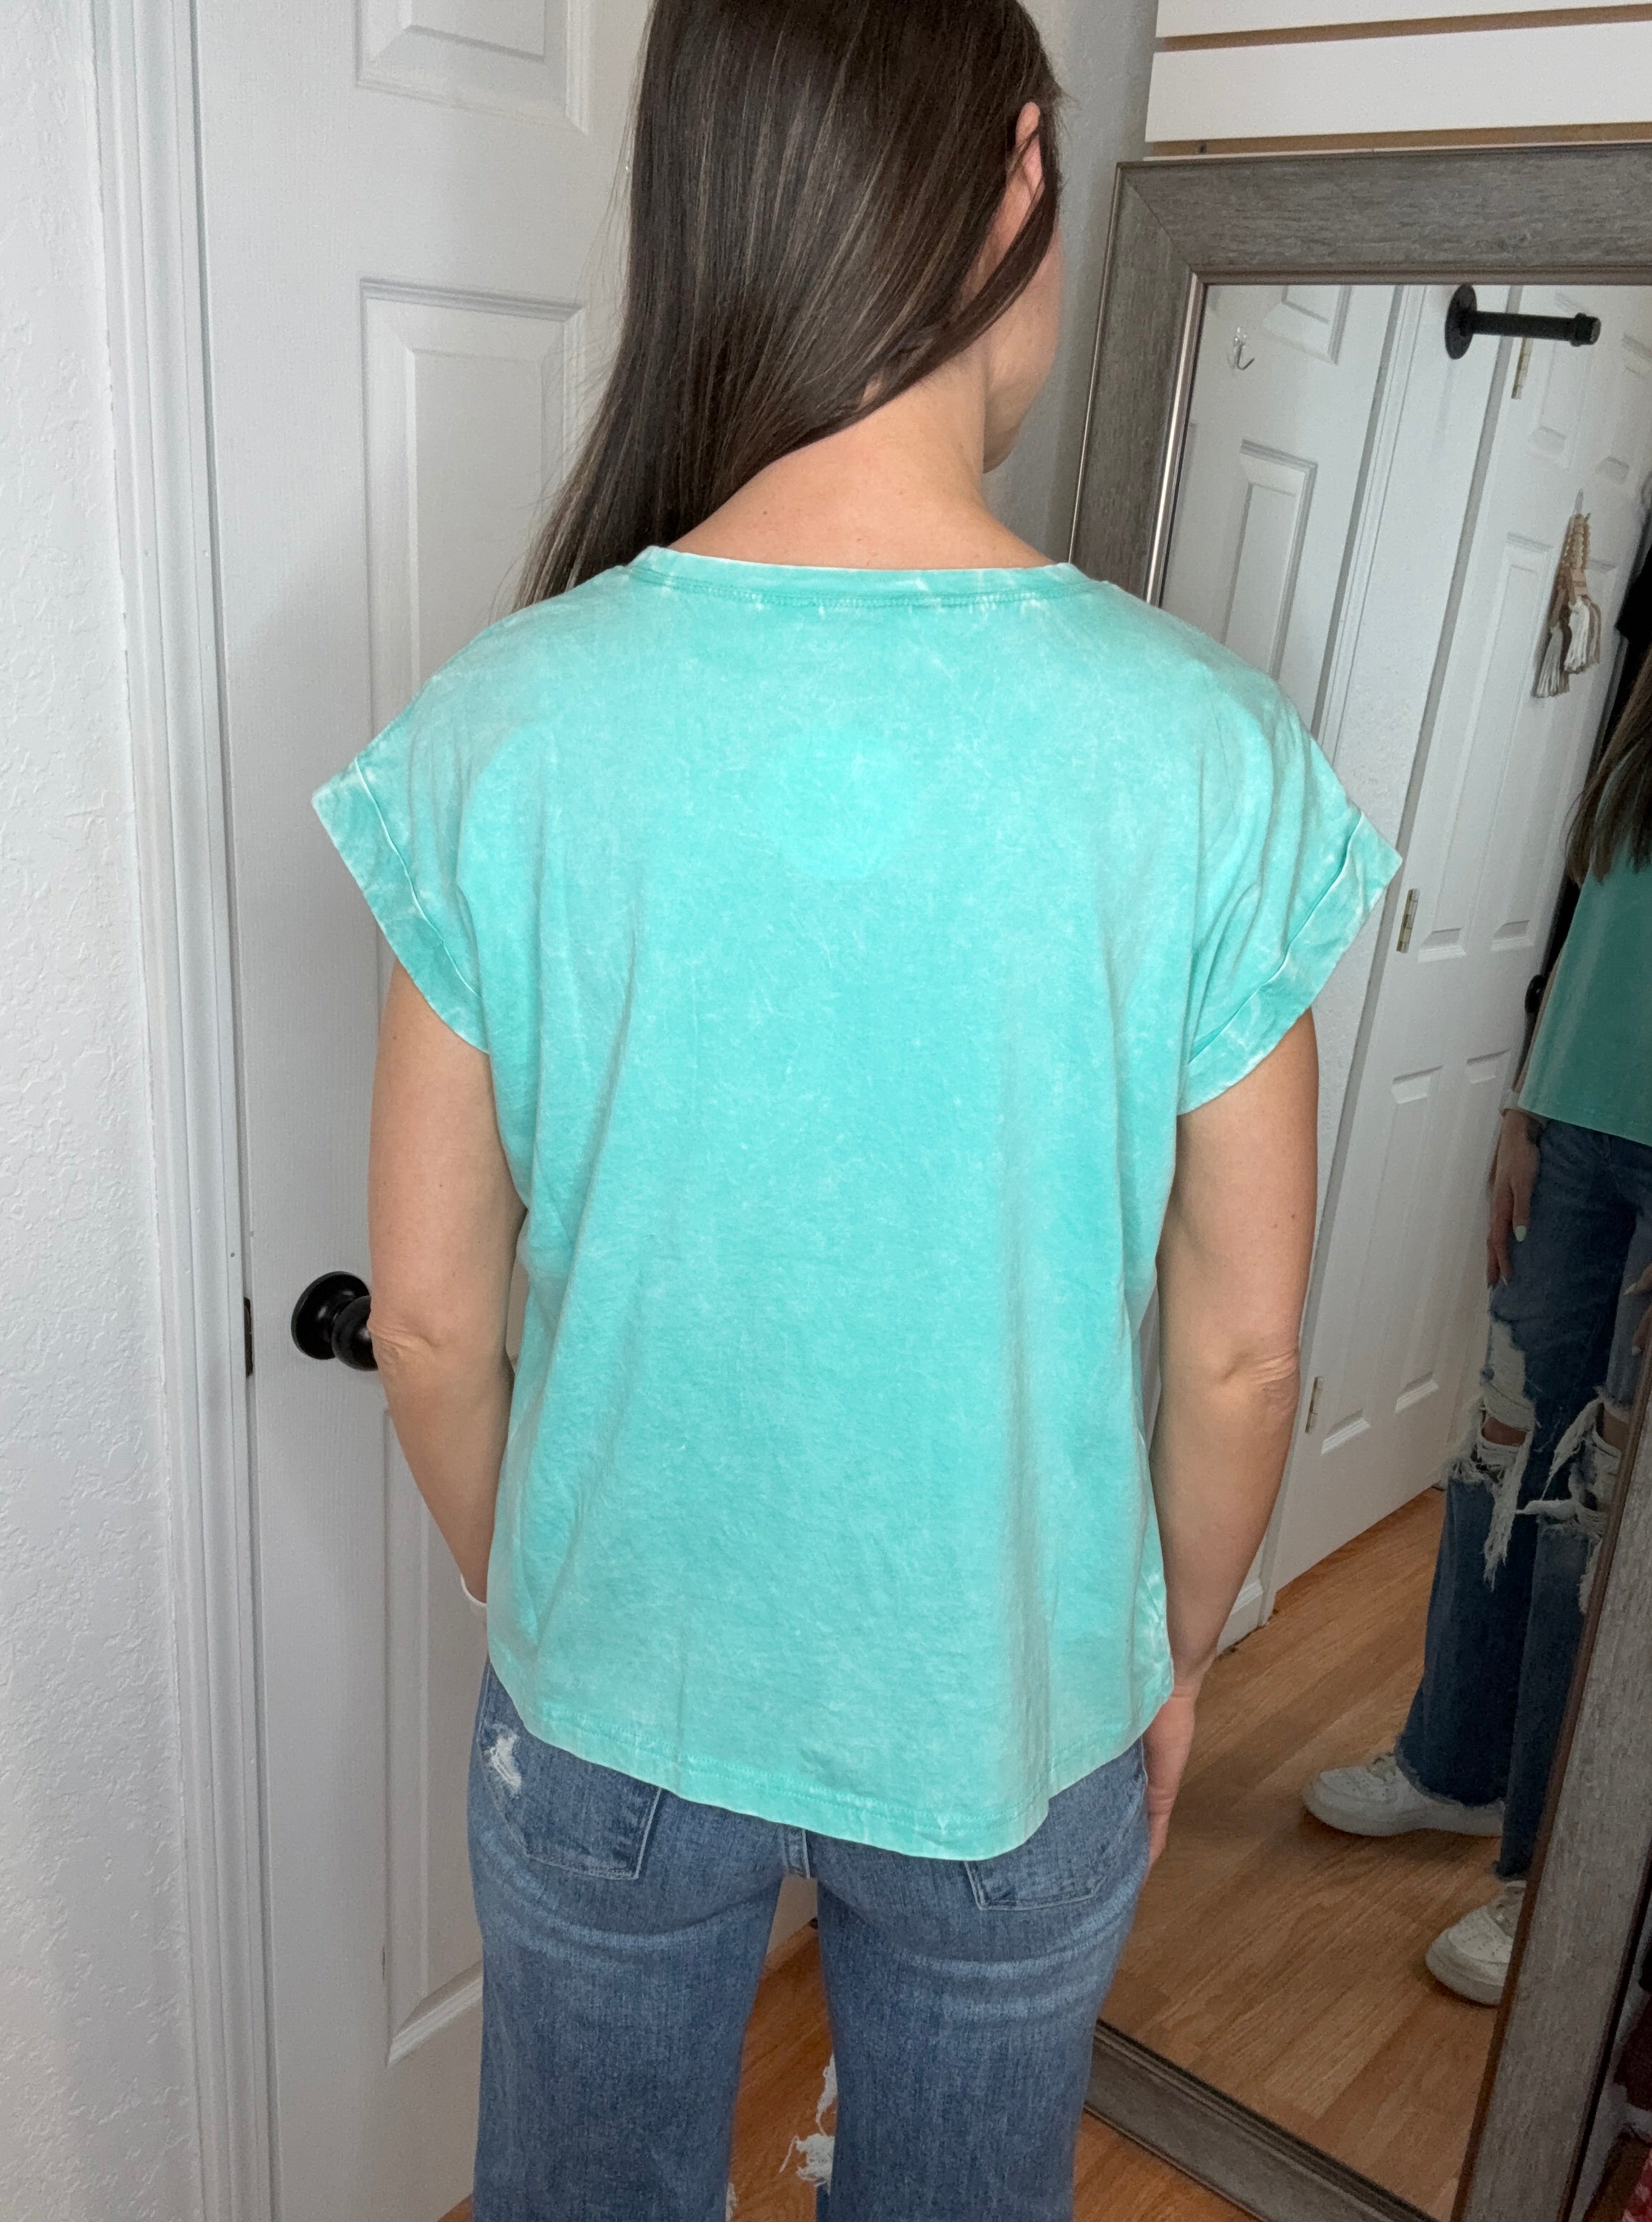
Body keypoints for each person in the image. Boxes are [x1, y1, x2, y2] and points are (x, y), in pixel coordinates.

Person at [312, 3, 1398, 2213]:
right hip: (1017, 1708)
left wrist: (554, 1610)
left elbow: (425, 1321)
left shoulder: (501, 727)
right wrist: (1166, 1658)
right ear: (1019, 173)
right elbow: (1239, 1351)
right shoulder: (1204, 755)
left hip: (610, 1695)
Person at [1304, 647, 1652, 2009]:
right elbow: (1590, 904)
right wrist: (1524, 1094)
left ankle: (1547, 1883)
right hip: (1575, 1119)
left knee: (1596, 1520)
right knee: (1498, 1456)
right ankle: (1455, 1765)